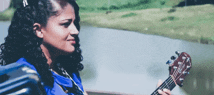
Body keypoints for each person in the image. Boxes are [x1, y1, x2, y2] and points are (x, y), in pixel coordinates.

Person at [0, 0, 171, 95]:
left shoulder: (67, 71)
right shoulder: (24, 78)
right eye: (66, 24)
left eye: (75, 23)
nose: (75, 31)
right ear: (38, 30)